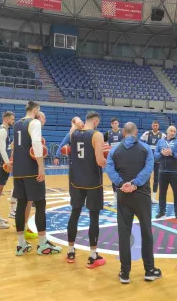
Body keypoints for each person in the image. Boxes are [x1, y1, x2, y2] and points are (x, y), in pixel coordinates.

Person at [106, 122, 162, 284]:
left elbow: (109, 169)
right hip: (142, 195)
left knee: (124, 233)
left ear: (123, 132)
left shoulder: (114, 150)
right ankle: (149, 270)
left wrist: (121, 183)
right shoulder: (145, 149)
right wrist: (135, 183)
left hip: (123, 195)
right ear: (136, 132)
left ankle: (124, 273)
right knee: (146, 232)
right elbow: (148, 169)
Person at [12, 101, 62, 256]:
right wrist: (41, 166)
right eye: (39, 111)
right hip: (31, 170)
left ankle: (21, 244)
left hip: (18, 171)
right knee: (40, 205)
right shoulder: (34, 122)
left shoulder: (17, 124)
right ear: (35, 110)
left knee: (21, 205)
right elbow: (36, 143)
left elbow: (14, 146)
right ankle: (42, 244)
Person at [66, 111, 107, 267]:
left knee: (75, 213)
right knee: (93, 217)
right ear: (96, 121)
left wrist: (75, 120)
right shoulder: (97, 135)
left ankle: (70, 251)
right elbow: (100, 161)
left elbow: (73, 122)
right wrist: (109, 158)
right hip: (93, 181)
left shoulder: (74, 133)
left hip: (76, 180)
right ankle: (92, 255)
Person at [154, 125, 177, 220]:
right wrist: (161, 153)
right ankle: (162, 211)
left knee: (176, 193)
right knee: (162, 192)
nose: (173, 132)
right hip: (162, 171)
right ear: (167, 131)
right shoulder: (160, 142)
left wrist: (172, 154)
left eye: (174, 131)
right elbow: (155, 156)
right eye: (171, 131)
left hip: (175, 171)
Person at [140, 121, 166, 203]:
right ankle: (145, 195)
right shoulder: (147, 134)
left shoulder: (162, 135)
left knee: (156, 178)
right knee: (146, 177)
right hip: (148, 159)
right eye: (154, 125)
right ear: (152, 125)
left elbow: (165, 145)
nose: (155, 127)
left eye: (156, 125)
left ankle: (153, 197)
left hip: (158, 160)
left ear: (158, 126)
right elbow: (140, 142)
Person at [105, 117, 123, 204]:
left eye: (116, 123)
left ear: (118, 123)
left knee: (123, 176)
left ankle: (123, 196)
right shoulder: (108, 133)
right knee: (114, 177)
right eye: (113, 123)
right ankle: (115, 198)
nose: (115, 125)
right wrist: (105, 146)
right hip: (112, 158)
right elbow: (101, 142)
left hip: (122, 157)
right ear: (111, 124)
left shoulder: (123, 132)